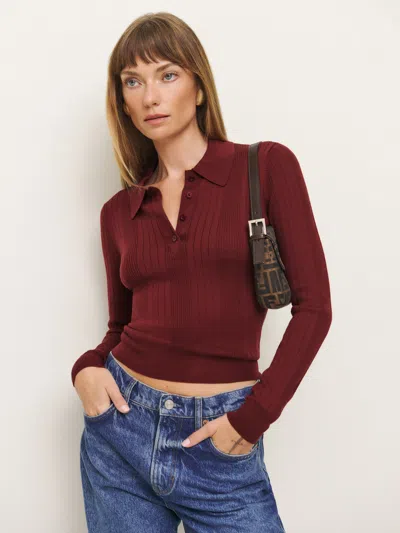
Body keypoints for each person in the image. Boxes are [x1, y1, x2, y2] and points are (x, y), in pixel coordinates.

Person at [71, 11, 332, 533]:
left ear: (198, 88)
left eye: (167, 75)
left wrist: (251, 420)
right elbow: (120, 326)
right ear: (122, 102)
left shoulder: (266, 167)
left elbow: (315, 309)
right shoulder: (117, 213)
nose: (151, 96)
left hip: (219, 440)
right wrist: (86, 368)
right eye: (133, 82)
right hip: (120, 434)